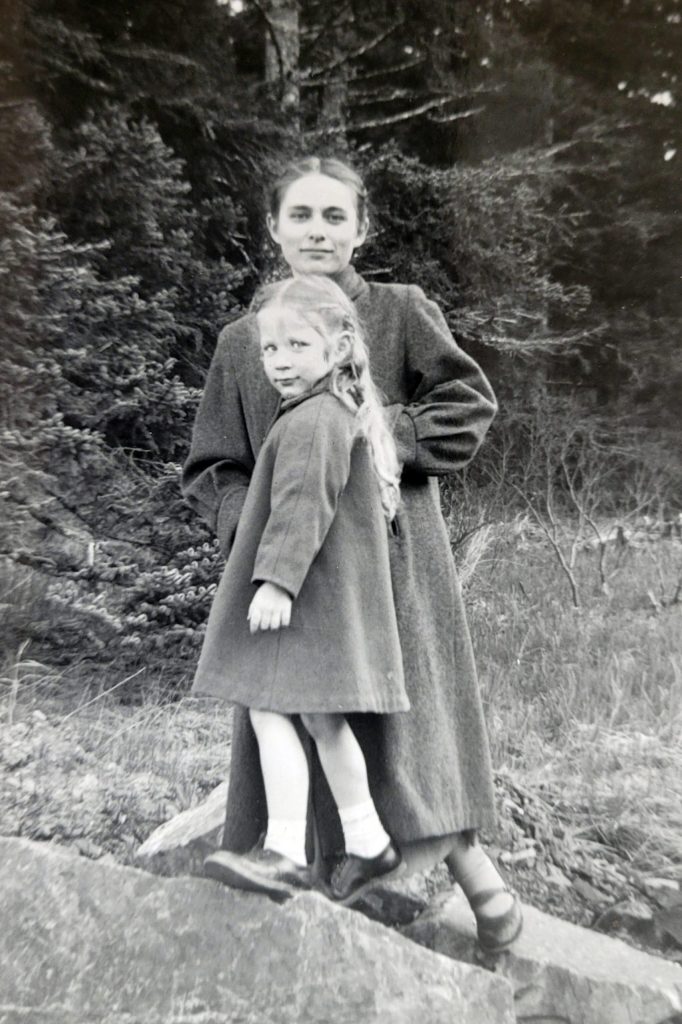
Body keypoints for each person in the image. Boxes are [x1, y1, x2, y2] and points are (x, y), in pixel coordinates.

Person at [183, 156, 523, 952]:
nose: (317, 231)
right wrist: (256, 533)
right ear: (273, 228)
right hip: (290, 574)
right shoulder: (246, 341)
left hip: (398, 562)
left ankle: (484, 892)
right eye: (300, 215)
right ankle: (310, 905)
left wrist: (378, 434)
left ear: (362, 229)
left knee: (410, 728)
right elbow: (211, 468)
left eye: (335, 217)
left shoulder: (400, 311)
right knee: (299, 713)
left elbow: (468, 403)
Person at [192, 274, 409, 905]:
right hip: (324, 606)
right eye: (269, 349)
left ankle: (286, 852)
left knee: (268, 707)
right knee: (320, 717)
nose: (280, 361)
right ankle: (368, 841)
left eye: (296, 346)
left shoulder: (315, 420)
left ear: (338, 349)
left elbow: (301, 506)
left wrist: (276, 583)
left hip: (302, 602)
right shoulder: (331, 411)